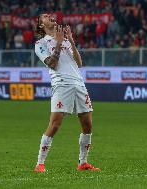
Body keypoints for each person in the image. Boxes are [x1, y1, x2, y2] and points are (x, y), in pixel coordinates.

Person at [34, 13, 100, 172]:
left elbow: (79, 63)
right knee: (55, 124)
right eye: (45, 16)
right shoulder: (40, 43)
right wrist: (57, 43)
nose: (49, 16)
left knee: (87, 125)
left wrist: (70, 40)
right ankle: (40, 164)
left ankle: (83, 162)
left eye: (50, 15)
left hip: (78, 83)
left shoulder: (64, 40)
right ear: (41, 25)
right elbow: (52, 64)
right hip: (61, 84)